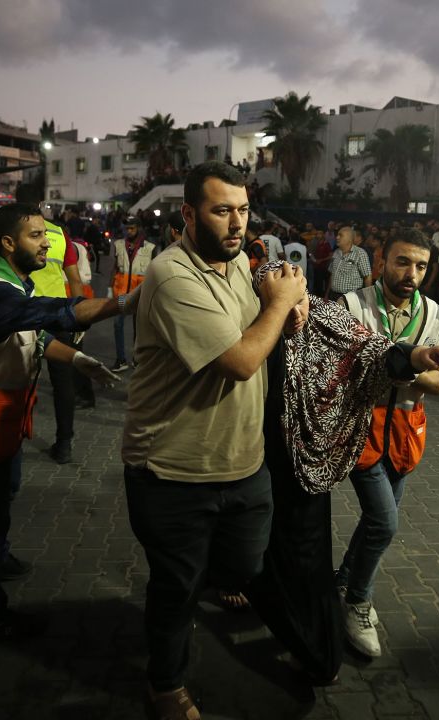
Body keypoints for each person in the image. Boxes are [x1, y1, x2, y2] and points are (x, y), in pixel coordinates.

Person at [121, 162, 306, 720]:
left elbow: (263, 329)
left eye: (243, 211)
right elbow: (240, 360)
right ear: (188, 214)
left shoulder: (236, 268)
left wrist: (286, 312)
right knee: (176, 589)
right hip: (174, 472)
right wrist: (278, 304)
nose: (236, 224)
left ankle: (217, 577)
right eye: (221, 210)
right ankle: (165, 685)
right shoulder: (173, 275)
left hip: (244, 465)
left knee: (245, 565)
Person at [244, 258, 439, 685]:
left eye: (300, 290)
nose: (296, 304)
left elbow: (373, 348)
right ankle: (245, 581)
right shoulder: (247, 320)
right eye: (282, 292)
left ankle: (326, 629)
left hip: (313, 462)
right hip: (249, 457)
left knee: (318, 549)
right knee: (250, 544)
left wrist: (418, 354)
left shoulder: (326, 315)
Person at [0, 202, 123, 643]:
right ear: (7, 243)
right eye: (36, 236)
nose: (47, 243)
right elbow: (51, 315)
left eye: (45, 234)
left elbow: (36, 338)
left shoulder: (11, 284)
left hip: (2, 424)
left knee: (5, 496)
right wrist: (121, 305)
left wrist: (78, 360)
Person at [334, 228, 439, 658]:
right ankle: (358, 602)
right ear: (382, 259)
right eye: (403, 262)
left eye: (421, 266)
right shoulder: (351, 306)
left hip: (404, 436)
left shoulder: (436, 315)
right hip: (359, 434)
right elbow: (341, 371)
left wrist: (405, 369)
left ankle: (344, 578)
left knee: (376, 523)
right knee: (385, 523)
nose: (412, 273)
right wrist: (407, 364)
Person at [29, 216, 86, 465]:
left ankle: (9, 439)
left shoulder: (12, 229)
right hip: (56, 314)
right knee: (63, 383)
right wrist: (79, 317)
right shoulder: (59, 234)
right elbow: (74, 279)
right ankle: (64, 444)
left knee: (19, 379)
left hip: (24, 313)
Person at [111, 216, 155, 372]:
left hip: (140, 294)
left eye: (132, 228)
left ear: (139, 228)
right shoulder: (118, 245)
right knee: (118, 324)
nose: (129, 231)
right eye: (127, 228)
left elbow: (154, 273)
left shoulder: (150, 248)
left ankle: (137, 359)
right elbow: (115, 268)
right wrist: (110, 290)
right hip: (122, 295)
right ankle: (121, 359)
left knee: (139, 328)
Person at [328, 225, 371, 299]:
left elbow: (367, 276)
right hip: (333, 296)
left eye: (340, 235)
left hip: (351, 297)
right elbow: (332, 274)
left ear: (350, 239)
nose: (337, 237)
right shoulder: (336, 253)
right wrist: (327, 294)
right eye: (337, 235)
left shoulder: (360, 253)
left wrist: (368, 297)